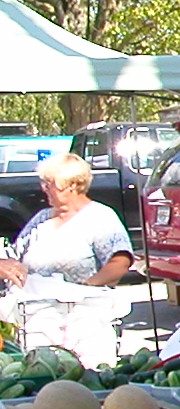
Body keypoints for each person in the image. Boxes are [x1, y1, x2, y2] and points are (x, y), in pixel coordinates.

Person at [0, 153, 134, 367]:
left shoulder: (100, 217)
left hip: (85, 317)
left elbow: (120, 261)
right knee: (42, 371)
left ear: (72, 185)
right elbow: (14, 256)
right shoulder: (41, 219)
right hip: (38, 317)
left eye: (50, 184)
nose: (44, 189)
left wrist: (87, 287)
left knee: (87, 372)